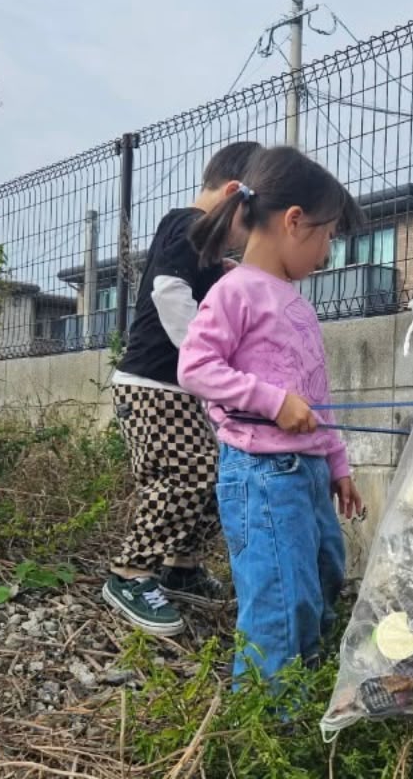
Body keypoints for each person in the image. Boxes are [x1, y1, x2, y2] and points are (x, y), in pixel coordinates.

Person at [177, 145, 366, 683]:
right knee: (280, 602)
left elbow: (315, 396)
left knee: (324, 577)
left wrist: (337, 463)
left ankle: (302, 695)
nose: (327, 252)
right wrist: (271, 401)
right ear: (294, 221)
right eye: (327, 235)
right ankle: (265, 726)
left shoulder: (297, 303)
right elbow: (196, 367)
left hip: (306, 474)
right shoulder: (234, 291)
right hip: (262, 477)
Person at [103, 140, 260, 636]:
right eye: (246, 226)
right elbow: (169, 293)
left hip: (182, 389)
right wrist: (205, 360)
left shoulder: (210, 250)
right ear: (233, 193)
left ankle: (181, 566)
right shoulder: (185, 223)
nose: (243, 240)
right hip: (152, 383)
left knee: (216, 474)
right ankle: (129, 574)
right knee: (185, 473)